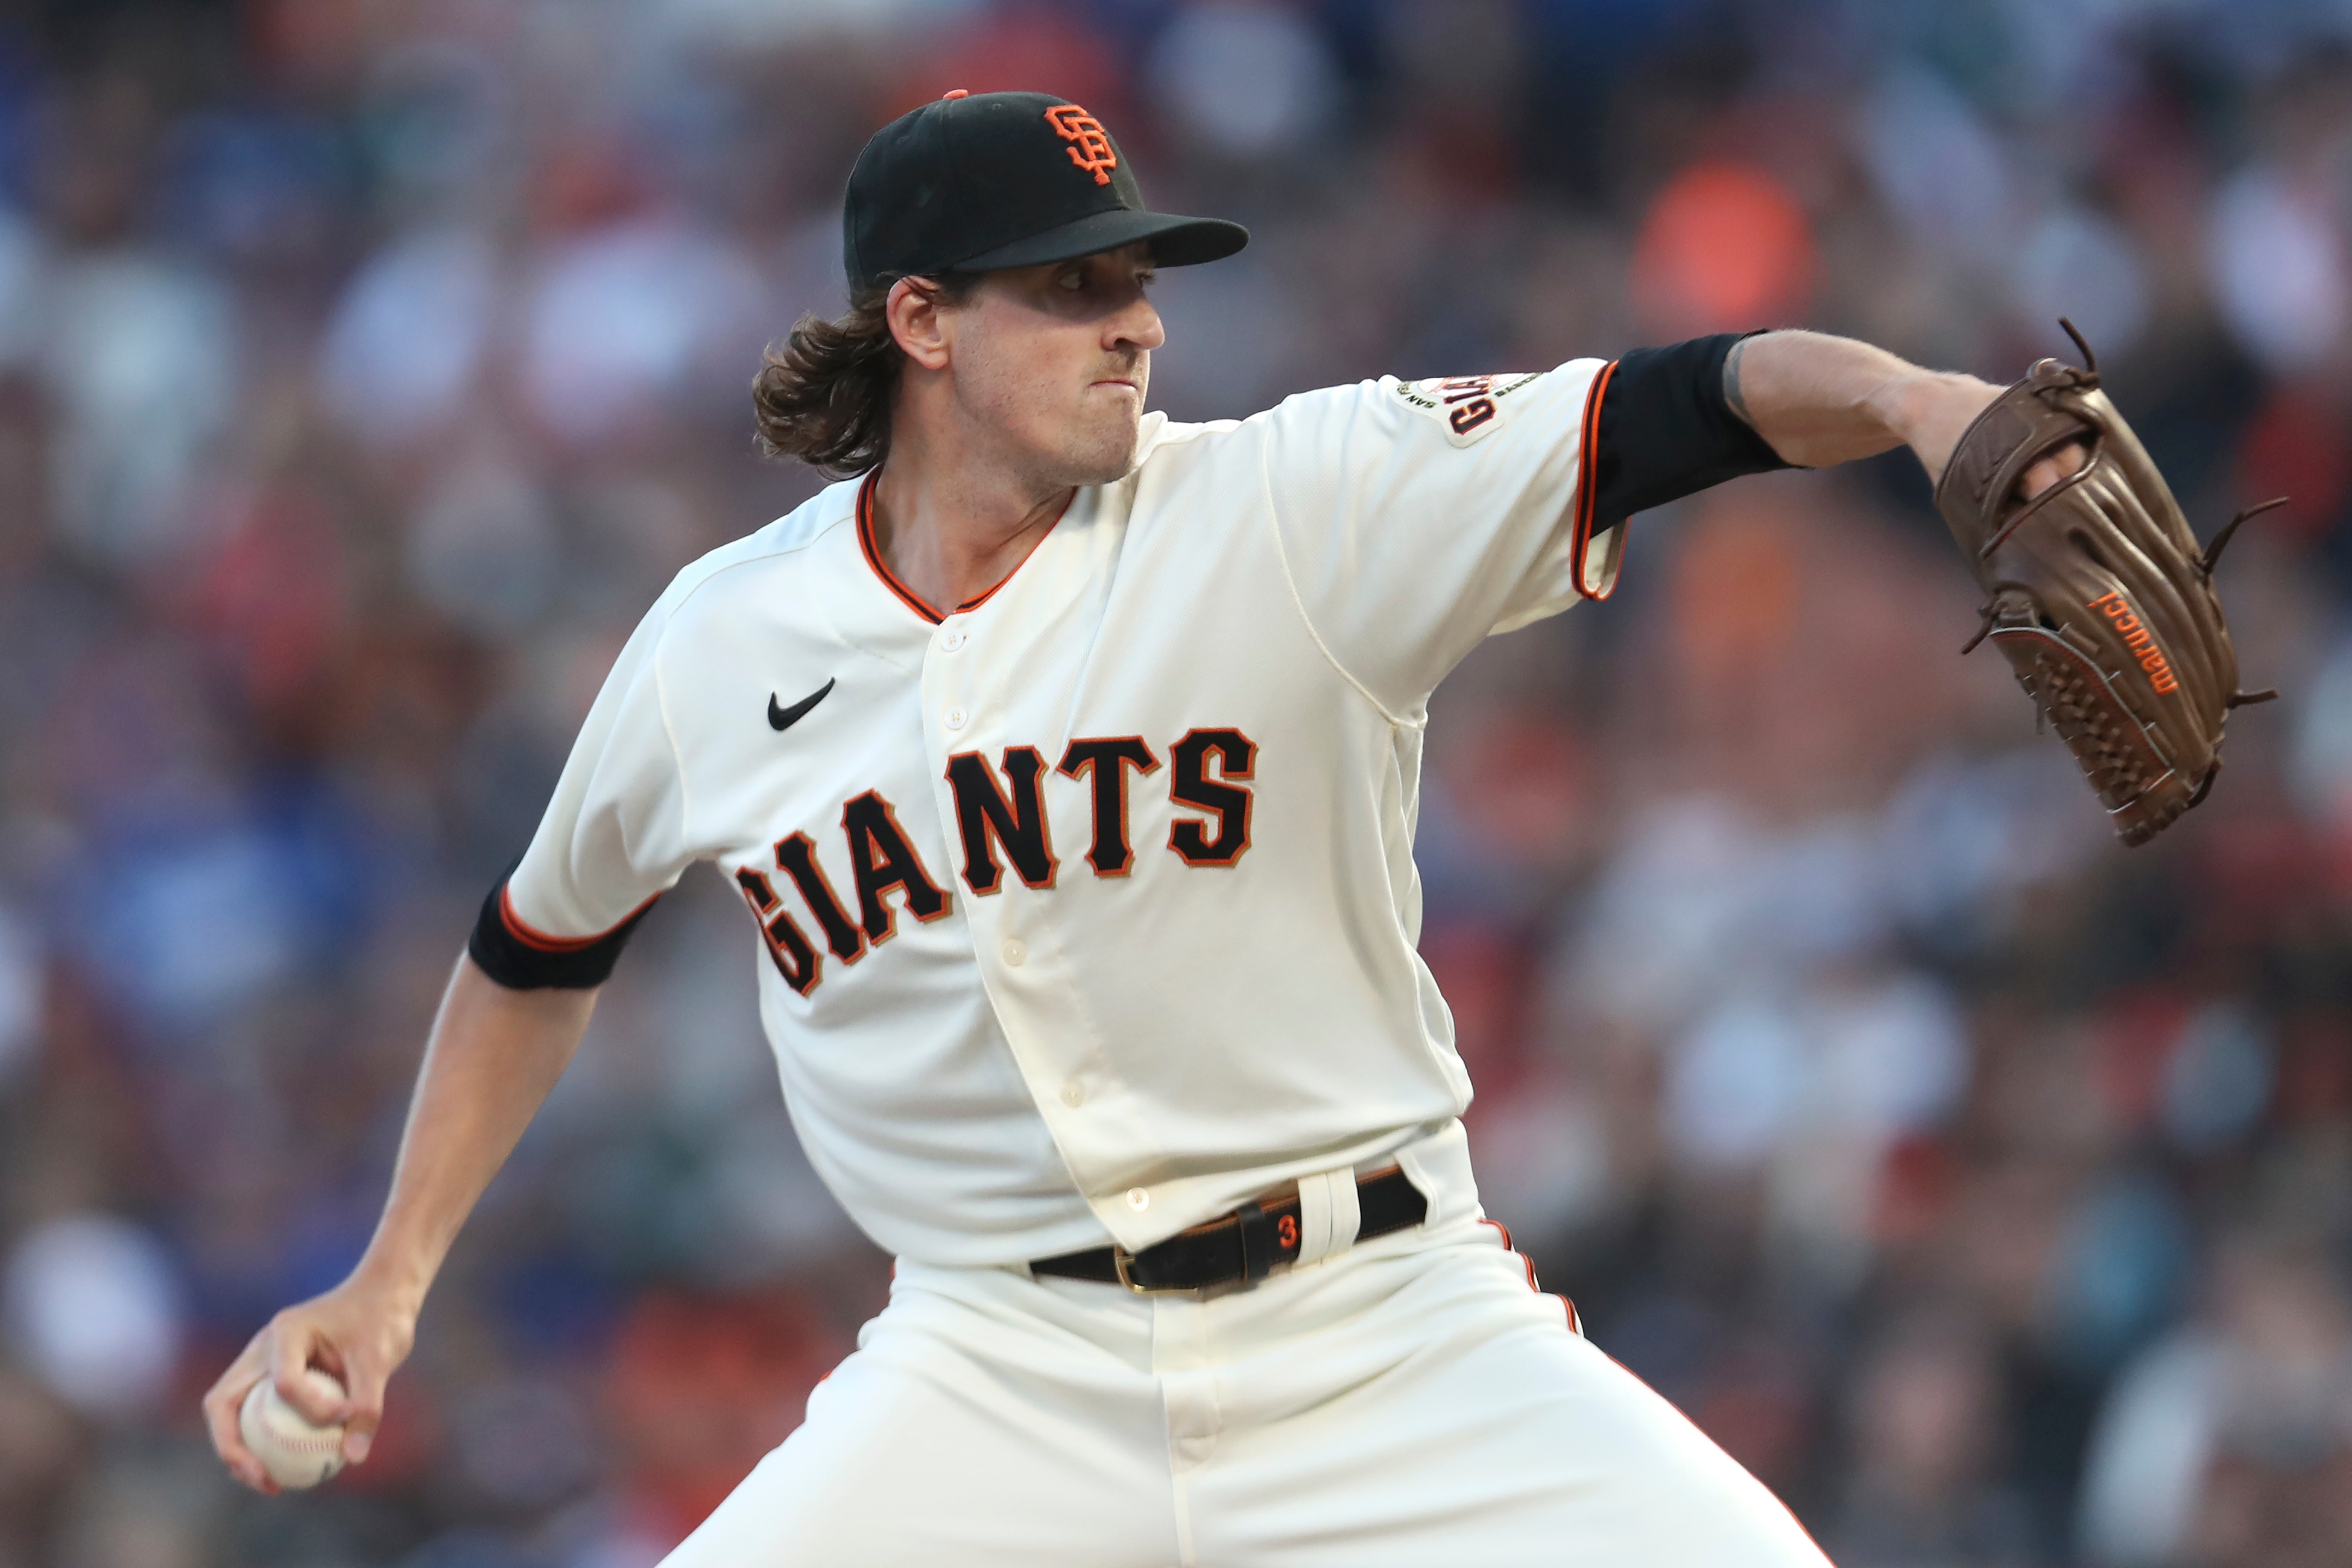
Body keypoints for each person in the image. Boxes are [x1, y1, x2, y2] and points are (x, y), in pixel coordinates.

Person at [203, 90, 2082, 1564]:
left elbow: (1685, 403)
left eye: (1139, 278)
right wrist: (389, 1281)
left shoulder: (1289, 504)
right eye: (1075, 286)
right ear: (920, 323)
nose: (1136, 324)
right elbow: (539, 946)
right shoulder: (719, 644)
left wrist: (1918, 400)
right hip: (993, 1371)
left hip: (1384, 1326)